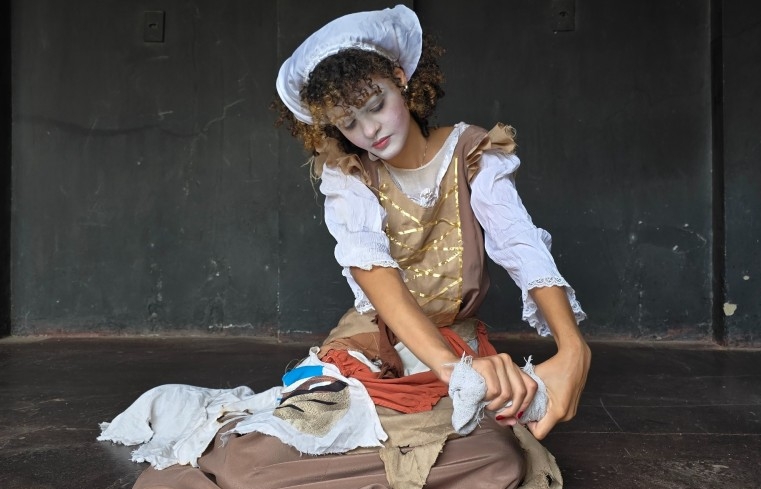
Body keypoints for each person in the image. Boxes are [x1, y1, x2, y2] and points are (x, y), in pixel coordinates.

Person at [116, 5, 589, 489]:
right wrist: (453, 370)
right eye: (348, 122)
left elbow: (520, 244)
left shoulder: (472, 153)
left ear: (400, 79)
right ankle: (243, 452)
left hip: (456, 341)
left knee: (500, 461)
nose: (368, 131)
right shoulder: (349, 176)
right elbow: (375, 273)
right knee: (263, 457)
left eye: (375, 104)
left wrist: (573, 348)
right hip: (375, 343)